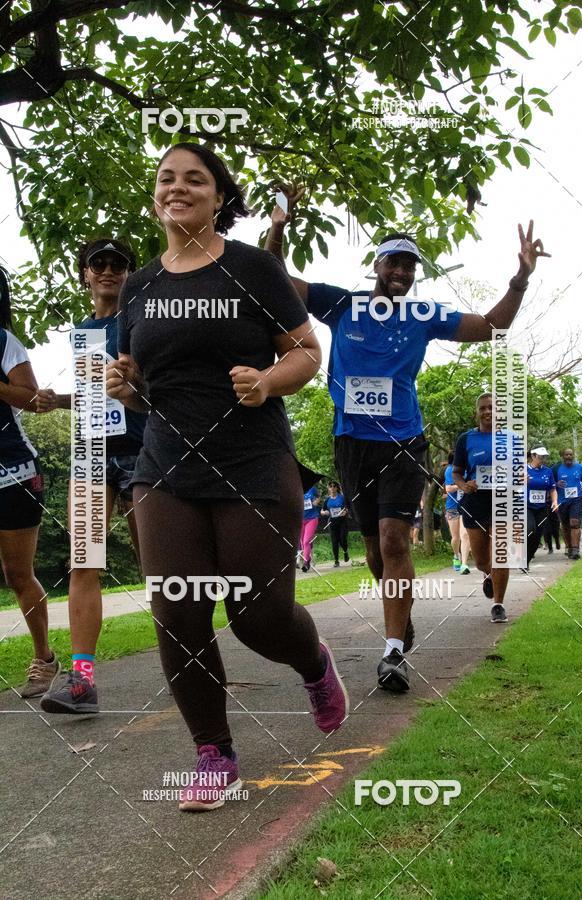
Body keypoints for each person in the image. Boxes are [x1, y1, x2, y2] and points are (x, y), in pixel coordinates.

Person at [106, 143, 348, 812]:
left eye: (196, 179)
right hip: (165, 467)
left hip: (250, 460)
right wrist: (124, 385)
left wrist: (268, 380)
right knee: (177, 611)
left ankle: (312, 662)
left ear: (219, 198)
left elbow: (306, 351)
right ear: (156, 195)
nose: (178, 187)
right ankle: (213, 753)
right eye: (166, 178)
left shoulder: (253, 268)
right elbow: (141, 382)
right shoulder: (139, 286)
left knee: (256, 615)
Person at [267, 188, 548, 691]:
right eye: (394, 262)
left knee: (396, 541)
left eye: (410, 266)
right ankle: (403, 616)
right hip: (351, 443)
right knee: (375, 553)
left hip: (403, 442)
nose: (401, 272)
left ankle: (393, 651)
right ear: (377, 264)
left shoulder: (423, 316)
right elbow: (276, 280)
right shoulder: (343, 304)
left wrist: (521, 278)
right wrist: (279, 227)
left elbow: (490, 326)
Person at [38, 238, 146, 715]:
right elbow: (91, 400)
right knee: (84, 563)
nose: (107, 271)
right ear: (84, 274)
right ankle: (82, 683)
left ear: (129, 273)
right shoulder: (83, 332)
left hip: (145, 451)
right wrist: (54, 400)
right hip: (90, 454)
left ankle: (193, 665)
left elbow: (155, 387)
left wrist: (134, 390)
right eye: (97, 264)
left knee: (161, 567)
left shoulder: (142, 320)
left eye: (117, 264)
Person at [0, 265, 61, 697]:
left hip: (14, 474)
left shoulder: (5, 342)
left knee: (18, 574)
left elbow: (35, 401)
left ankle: (45, 659)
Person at [453, 393, 521, 624]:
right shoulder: (466, 439)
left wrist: (520, 477)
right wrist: (464, 485)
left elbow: (521, 471)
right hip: (476, 501)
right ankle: (488, 574)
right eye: (483, 408)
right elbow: (457, 472)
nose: (487, 411)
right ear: (477, 412)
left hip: (503, 499)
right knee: (482, 559)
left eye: (492, 407)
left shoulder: (512, 439)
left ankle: (498, 604)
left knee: (500, 554)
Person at [526, 447, 558, 568]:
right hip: (526, 506)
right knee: (530, 529)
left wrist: (554, 501)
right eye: (540, 457)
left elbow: (553, 489)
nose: (543, 459)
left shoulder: (548, 471)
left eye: (544, 457)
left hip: (542, 507)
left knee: (537, 535)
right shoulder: (523, 469)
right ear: (533, 456)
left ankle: (526, 560)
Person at [552, 448, 582, 560]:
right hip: (562, 501)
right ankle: (570, 547)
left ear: (573, 456)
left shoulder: (580, 467)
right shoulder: (556, 469)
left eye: (570, 455)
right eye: (566, 455)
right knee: (565, 526)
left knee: (574, 523)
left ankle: (576, 549)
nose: (568, 457)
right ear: (563, 456)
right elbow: (550, 484)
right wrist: (557, 483)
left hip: (577, 499)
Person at [444, 451, 470, 574]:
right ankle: (456, 555)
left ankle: (464, 564)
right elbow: (448, 488)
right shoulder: (449, 470)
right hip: (452, 507)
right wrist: (461, 485)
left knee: (465, 534)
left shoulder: (467, 470)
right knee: (455, 537)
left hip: (466, 506)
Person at [321, 481, 350, 566]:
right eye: (330, 486)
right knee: (334, 541)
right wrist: (324, 512)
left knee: (342, 539)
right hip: (332, 522)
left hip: (342, 521)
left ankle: (345, 551)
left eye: (334, 486)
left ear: (337, 488)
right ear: (328, 488)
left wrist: (345, 512)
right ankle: (336, 561)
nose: (332, 488)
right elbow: (322, 510)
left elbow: (347, 507)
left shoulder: (342, 498)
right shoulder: (327, 500)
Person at [300, 485, 321, 571]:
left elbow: (319, 496)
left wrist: (317, 501)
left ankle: (306, 562)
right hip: (300, 520)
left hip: (312, 518)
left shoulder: (312, 488)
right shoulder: (296, 487)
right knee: (302, 542)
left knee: (306, 541)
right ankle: (307, 559)